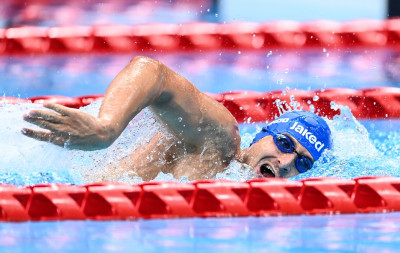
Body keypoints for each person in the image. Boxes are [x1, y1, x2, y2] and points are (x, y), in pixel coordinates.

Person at [21, 56, 332, 181]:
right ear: (261, 135)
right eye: (284, 142)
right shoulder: (220, 141)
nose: (287, 161)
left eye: (302, 163)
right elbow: (152, 72)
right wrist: (107, 128)